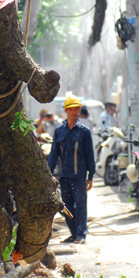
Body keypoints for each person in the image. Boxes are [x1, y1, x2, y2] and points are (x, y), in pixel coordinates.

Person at [47, 95, 96, 244]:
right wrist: (48, 173)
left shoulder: (84, 132)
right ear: (66, 111)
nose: (73, 112)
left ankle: (81, 234)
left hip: (79, 176)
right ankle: (73, 233)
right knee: (65, 206)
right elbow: (54, 153)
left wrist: (90, 176)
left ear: (79, 111)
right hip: (64, 176)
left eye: (76, 109)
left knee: (80, 205)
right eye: (70, 109)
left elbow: (89, 155)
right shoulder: (59, 131)